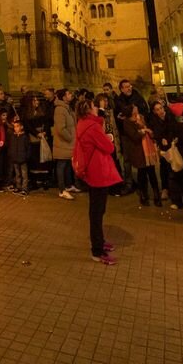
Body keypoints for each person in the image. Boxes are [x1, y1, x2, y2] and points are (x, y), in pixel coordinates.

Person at [74, 96, 122, 265]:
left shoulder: (83, 123)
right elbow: (109, 147)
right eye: (95, 107)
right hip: (98, 172)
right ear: (89, 109)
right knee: (97, 212)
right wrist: (108, 139)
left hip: (92, 172)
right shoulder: (92, 127)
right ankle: (97, 250)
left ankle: (100, 242)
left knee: (97, 210)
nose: (97, 109)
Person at [120, 104, 161, 207]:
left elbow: (147, 128)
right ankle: (143, 195)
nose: (136, 108)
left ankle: (157, 196)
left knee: (152, 173)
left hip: (148, 149)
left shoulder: (141, 117)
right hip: (138, 151)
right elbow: (134, 136)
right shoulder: (127, 122)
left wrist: (147, 131)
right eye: (134, 108)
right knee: (142, 174)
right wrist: (143, 131)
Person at [51, 88, 76, 200]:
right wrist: (70, 138)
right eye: (68, 93)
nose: (71, 95)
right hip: (63, 143)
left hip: (68, 143)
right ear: (63, 97)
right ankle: (62, 190)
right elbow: (61, 129)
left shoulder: (67, 108)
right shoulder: (60, 110)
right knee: (61, 165)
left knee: (67, 166)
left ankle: (69, 185)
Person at [6, 116, 30, 194]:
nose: (15, 128)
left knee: (24, 174)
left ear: (21, 127)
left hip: (23, 159)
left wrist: (27, 157)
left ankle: (24, 188)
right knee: (17, 174)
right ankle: (18, 187)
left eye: (17, 126)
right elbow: (11, 147)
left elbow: (28, 147)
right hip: (15, 158)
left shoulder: (25, 137)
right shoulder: (13, 136)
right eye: (14, 127)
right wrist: (11, 155)